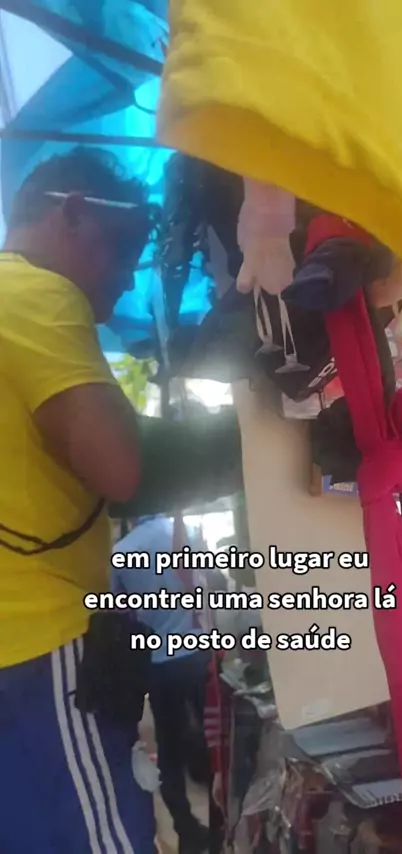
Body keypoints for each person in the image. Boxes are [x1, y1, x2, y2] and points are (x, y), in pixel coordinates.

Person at [0, 148, 157, 853]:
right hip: (36, 650)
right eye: (125, 247)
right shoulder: (34, 294)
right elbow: (121, 471)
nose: (128, 276)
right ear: (72, 213)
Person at [112, 516, 212, 854]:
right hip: (197, 653)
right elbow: (205, 585)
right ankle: (221, 819)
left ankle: (186, 829)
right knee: (213, 736)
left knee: (168, 749)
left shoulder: (121, 552)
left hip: (157, 662)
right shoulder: (185, 532)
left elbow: (120, 612)